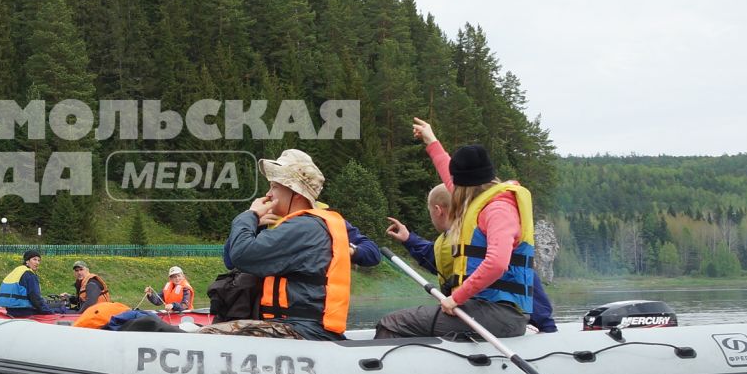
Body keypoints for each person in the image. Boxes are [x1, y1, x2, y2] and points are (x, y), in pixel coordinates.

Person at [375, 119, 537, 340]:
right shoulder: (479, 199)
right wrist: (430, 140)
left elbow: (497, 263)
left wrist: (456, 297)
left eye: (457, 185)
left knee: (391, 324)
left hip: (500, 314)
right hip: (485, 309)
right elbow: (447, 170)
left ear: (466, 185)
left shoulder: (499, 210)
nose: (453, 189)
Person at [204, 149, 362, 340]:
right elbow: (233, 259)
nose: (268, 194)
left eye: (274, 187)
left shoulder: (304, 226)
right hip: (295, 326)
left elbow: (242, 254)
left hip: (304, 330)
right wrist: (255, 223)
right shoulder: (302, 225)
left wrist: (249, 215)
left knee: (208, 335)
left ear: (294, 192)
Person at [386, 184, 557, 333]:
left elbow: (523, 278)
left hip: (496, 315)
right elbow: (438, 258)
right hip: (473, 313)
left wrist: (546, 325)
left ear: (438, 210)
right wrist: (409, 239)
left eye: (430, 211)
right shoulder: (454, 240)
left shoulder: (481, 240)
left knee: (392, 323)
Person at [0, 249, 57, 316]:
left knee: (49, 304)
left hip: (10, 310)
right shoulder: (29, 275)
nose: (37, 263)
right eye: (34, 259)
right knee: (59, 307)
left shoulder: (17, 270)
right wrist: (50, 313)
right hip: (25, 312)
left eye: (39, 260)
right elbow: (35, 298)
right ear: (27, 261)